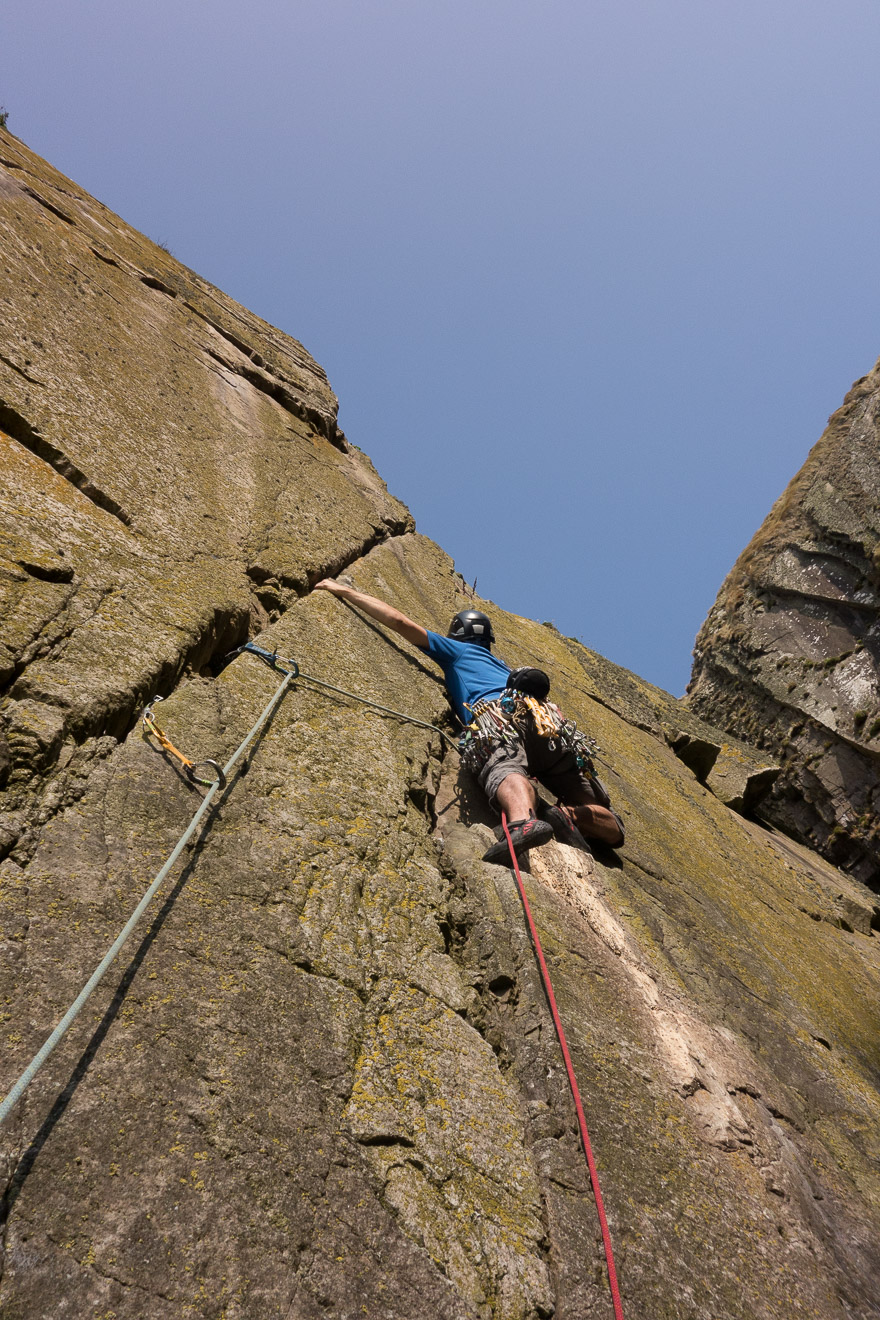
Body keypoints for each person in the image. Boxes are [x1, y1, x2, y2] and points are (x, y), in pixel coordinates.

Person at [314, 580, 625, 863]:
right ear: (487, 638)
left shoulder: (458, 651)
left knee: (505, 766)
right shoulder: (501, 666)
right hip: (547, 721)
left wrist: (345, 591)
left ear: (458, 634)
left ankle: (524, 821)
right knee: (590, 802)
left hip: (500, 717)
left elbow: (400, 622)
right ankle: (573, 815)